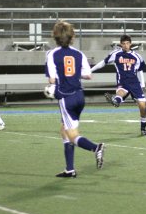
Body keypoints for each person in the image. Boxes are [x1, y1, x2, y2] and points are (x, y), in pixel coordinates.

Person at [45, 20, 105, 178]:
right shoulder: (79, 54)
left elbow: (52, 79)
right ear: (72, 36)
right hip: (79, 96)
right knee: (64, 130)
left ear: (55, 37)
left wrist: (52, 87)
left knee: (72, 134)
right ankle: (69, 169)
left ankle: (96, 148)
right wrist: (73, 75)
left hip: (66, 98)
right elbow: (88, 75)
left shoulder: (52, 54)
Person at [91, 34, 146, 135]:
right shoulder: (116, 54)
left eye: (127, 43)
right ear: (121, 45)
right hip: (123, 82)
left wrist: (142, 84)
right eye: (123, 44)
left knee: (143, 107)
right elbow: (103, 62)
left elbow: (140, 71)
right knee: (120, 93)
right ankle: (116, 100)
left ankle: (143, 129)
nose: (126, 45)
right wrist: (90, 70)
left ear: (130, 44)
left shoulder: (137, 56)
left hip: (135, 83)